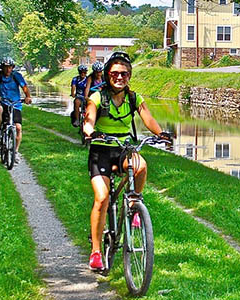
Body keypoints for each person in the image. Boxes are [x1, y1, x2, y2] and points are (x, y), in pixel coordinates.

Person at [82, 52, 172, 271]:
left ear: (129, 75)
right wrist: (90, 131)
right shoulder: (97, 97)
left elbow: (147, 118)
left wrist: (161, 133)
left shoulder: (134, 97)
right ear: (107, 75)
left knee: (140, 165)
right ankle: (95, 251)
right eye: (114, 73)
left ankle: (134, 204)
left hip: (123, 148)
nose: (119, 77)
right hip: (101, 150)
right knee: (102, 198)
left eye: (123, 73)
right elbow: (89, 118)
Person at [0, 57, 32, 162]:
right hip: (2, 101)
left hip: (15, 103)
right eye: (6, 67)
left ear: (13, 67)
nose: (8, 70)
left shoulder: (16, 76)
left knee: (18, 127)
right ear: (2, 67)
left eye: (10, 67)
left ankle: (15, 151)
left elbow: (24, 87)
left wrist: (28, 97)